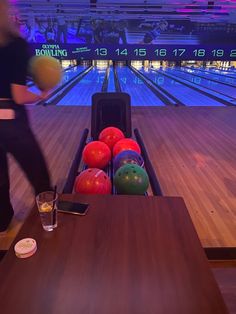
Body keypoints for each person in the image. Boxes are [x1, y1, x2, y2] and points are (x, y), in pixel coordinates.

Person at [0, 0, 51, 233]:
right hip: (11, 121)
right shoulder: (16, 45)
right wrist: (40, 95)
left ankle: (2, 227)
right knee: (40, 176)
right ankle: (50, 221)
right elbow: (19, 96)